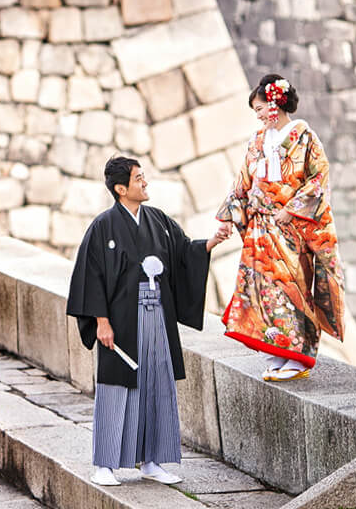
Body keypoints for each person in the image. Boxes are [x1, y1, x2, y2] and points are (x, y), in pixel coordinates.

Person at [67, 156, 227, 487]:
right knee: (115, 389)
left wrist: (211, 243)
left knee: (156, 385)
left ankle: (152, 461)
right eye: (139, 178)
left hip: (157, 316)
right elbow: (91, 275)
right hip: (121, 319)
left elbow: (184, 253)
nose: (145, 183)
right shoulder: (103, 226)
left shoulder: (158, 221)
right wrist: (101, 322)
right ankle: (105, 464)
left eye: (143, 177)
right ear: (120, 188)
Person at [214, 74, 345, 382]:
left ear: (275, 105)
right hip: (261, 228)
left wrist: (292, 209)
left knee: (292, 289)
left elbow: (318, 180)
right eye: (255, 111)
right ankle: (278, 351)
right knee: (264, 290)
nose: (258, 115)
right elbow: (243, 182)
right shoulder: (258, 140)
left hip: (291, 229)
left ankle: (299, 357)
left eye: (260, 108)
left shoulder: (305, 137)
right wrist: (229, 213)